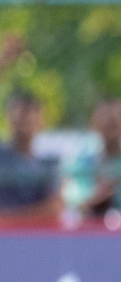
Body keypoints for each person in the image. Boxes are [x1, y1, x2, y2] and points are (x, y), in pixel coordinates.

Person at [0, 90, 62, 222]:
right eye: (19, 113)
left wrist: (10, 219)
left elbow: (55, 208)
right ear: (8, 118)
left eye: (29, 113)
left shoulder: (49, 162)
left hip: (35, 239)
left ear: (41, 120)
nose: (24, 118)